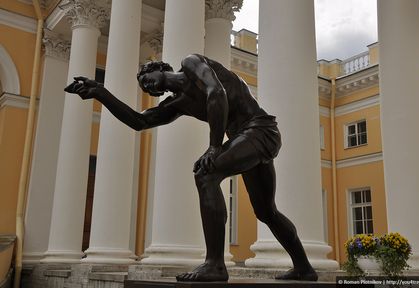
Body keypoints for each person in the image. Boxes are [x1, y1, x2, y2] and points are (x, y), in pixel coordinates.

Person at [65, 54, 318, 282]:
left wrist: (214, 147)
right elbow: (139, 121)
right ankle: (304, 268)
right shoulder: (178, 103)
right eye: (143, 85)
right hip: (249, 138)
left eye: (146, 76)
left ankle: (215, 265)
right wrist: (101, 93)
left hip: (259, 129)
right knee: (266, 211)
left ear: (160, 67)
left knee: (206, 174)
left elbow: (215, 92)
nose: (146, 84)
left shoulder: (191, 63)